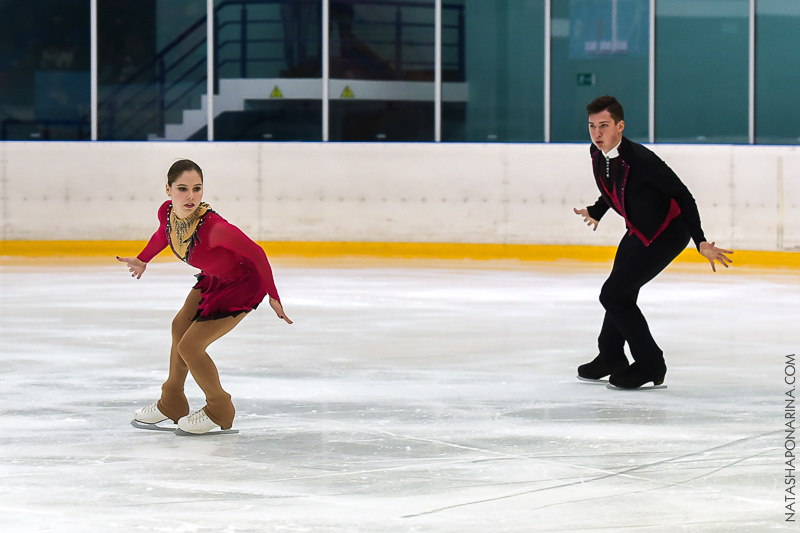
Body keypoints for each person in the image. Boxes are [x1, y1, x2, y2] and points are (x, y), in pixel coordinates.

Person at [117, 159, 292, 434]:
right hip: (214, 279)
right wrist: (142, 259)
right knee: (178, 326)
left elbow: (257, 253)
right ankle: (172, 402)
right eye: (183, 189)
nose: (190, 196)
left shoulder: (214, 228)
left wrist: (273, 295)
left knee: (190, 347)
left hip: (242, 284)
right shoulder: (167, 213)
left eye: (197, 189)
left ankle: (220, 408)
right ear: (168, 190)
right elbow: (164, 235)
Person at [574, 95, 732, 390]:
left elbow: (683, 196)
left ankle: (651, 364)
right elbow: (614, 187)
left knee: (613, 294)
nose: (597, 133)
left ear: (620, 126)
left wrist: (700, 241)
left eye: (604, 126)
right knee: (620, 291)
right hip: (639, 230)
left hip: (667, 233)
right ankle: (610, 357)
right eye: (592, 126)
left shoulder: (643, 160)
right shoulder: (598, 154)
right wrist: (598, 209)